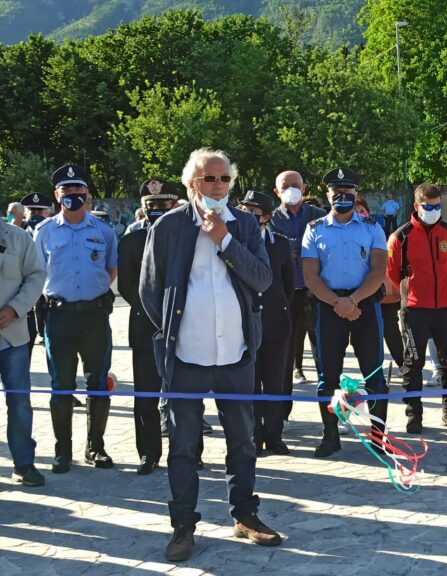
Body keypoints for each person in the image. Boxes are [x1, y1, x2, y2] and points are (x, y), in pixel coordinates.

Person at [140, 148, 280, 561]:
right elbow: (150, 291)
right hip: (186, 356)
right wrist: (175, 332)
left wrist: (225, 240)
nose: (217, 186)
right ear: (191, 184)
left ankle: (245, 515)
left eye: (224, 179)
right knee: (183, 446)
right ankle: (183, 525)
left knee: (242, 441)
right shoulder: (167, 226)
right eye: (208, 179)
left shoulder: (246, 225)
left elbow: (262, 278)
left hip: (235, 354)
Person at [32, 165, 118, 474]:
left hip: (94, 316)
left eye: (78, 190)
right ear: (57, 196)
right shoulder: (43, 232)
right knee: (61, 385)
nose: (73, 196)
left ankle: (95, 447)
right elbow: (36, 273)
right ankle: (62, 451)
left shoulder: (103, 230)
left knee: (98, 382)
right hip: (59, 316)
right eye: (67, 191)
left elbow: (111, 268)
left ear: (87, 194)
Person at [301, 167, 388, 458]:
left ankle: (378, 436)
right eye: (336, 194)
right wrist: (339, 303)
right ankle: (330, 435)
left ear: (356, 195)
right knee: (328, 376)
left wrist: (353, 300)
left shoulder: (372, 227)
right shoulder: (314, 229)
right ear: (327, 195)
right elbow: (311, 276)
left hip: (364, 303)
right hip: (329, 307)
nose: (342, 198)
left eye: (347, 194)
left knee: (374, 375)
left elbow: (378, 271)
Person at [0, 180, 46, 490]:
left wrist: (15, 309)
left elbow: (36, 276)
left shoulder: (19, 237)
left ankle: (24, 464)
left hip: (13, 334)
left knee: (19, 402)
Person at [387, 183, 447, 434]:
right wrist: (412, 289)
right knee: (413, 362)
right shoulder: (401, 236)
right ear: (417, 206)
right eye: (428, 207)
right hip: (414, 309)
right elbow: (393, 272)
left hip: (445, 307)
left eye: (437, 206)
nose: (434, 210)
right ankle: (413, 414)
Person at [117, 179, 179, 475]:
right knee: (145, 397)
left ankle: (188, 451)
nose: (156, 209)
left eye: (162, 204)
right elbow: (128, 286)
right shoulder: (130, 241)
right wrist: (153, 310)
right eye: (151, 205)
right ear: (143, 207)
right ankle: (149, 453)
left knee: (183, 396)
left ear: (173, 205)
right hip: (145, 327)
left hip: (182, 327)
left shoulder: (185, 237)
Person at [239, 190, 295, 455]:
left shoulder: (280, 244)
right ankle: (254, 435)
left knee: (274, 382)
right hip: (243, 324)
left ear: (267, 217)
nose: (248, 216)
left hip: (275, 322)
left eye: (254, 212)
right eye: (244, 210)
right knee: (249, 382)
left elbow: (288, 285)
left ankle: (274, 435)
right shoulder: (234, 243)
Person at [270, 171, 326, 423]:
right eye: (285, 186)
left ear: (304, 188)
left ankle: (331, 417)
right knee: (283, 357)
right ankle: (281, 415)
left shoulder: (320, 216)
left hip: (318, 293)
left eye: (296, 185)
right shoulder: (269, 220)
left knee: (325, 355)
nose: (291, 189)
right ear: (276, 191)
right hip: (284, 295)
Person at [355, 198, 404, 384]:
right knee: (366, 337)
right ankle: (372, 372)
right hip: (359, 294)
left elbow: (389, 263)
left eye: (362, 209)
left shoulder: (378, 232)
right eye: (356, 210)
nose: (360, 213)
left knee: (391, 329)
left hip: (384, 293)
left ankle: (402, 364)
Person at [20, 192, 52, 356]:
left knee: (53, 342)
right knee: (27, 340)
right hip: (24, 298)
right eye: (33, 212)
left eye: (41, 212)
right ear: (25, 214)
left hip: (49, 297)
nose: (37, 216)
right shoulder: (17, 235)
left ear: (48, 213)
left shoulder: (54, 233)